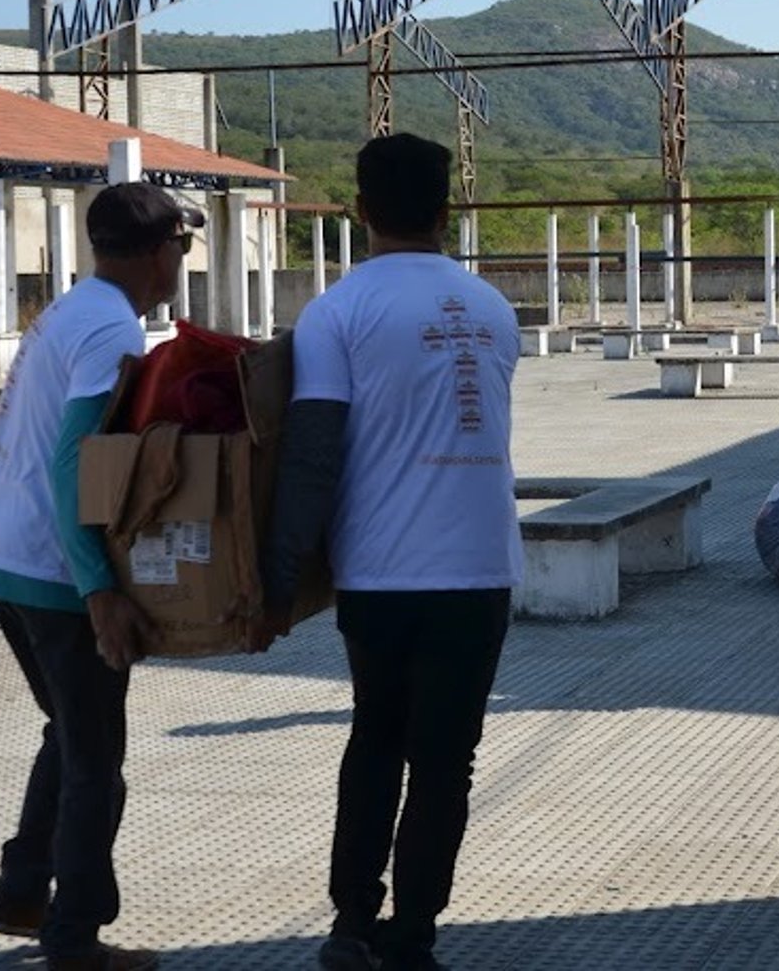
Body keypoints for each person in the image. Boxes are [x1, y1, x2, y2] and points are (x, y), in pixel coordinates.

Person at [255, 134, 522, 971]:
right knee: (447, 760)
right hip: (479, 567)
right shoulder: (493, 308)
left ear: (359, 210)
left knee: (375, 736)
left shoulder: (337, 311)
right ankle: (414, 937)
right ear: (447, 211)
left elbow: (311, 452)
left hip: (377, 571)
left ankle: (350, 924)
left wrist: (275, 577)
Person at [0, 182, 201, 971]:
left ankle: (23, 888)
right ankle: (75, 939)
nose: (182, 258)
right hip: (53, 572)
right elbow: (77, 459)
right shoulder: (108, 329)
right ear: (156, 249)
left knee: (68, 735)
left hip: (5, 555)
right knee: (96, 760)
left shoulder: (76, 309)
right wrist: (98, 586)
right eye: (182, 243)